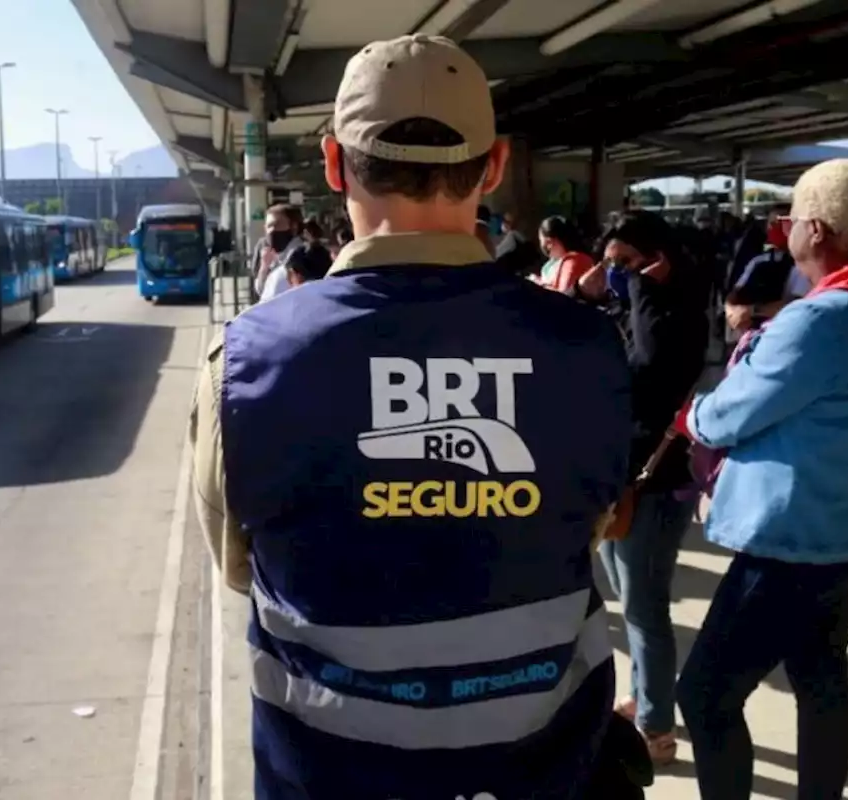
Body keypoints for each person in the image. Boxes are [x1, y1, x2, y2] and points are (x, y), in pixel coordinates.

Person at [190, 34, 639, 799]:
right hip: (538, 770)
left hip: (327, 773)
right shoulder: (589, 347)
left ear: (334, 165)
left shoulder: (243, 359)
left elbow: (238, 565)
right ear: (494, 165)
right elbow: (592, 524)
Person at [676, 159, 848, 800]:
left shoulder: (821, 319)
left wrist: (690, 415)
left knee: (705, 694)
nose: (784, 236)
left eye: (786, 224)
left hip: (792, 536)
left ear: (815, 228)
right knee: (820, 682)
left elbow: (730, 414)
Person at [576, 211, 708, 766]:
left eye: (628, 263)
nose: (618, 275)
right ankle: (648, 698)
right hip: (618, 476)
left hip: (655, 484)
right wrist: (591, 291)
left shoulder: (676, 311)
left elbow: (651, 366)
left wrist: (636, 288)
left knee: (645, 609)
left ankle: (657, 728)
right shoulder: (631, 307)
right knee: (628, 602)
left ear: (660, 261)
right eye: (612, 263)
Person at [252, 204, 305, 299]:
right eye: (268, 226)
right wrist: (264, 267)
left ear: (293, 226)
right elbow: (261, 290)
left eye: (277, 224)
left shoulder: (303, 253)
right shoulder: (271, 255)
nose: (271, 231)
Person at [538, 216, 593, 294]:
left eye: (541, 241)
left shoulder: (573, 261)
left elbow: (564, 296)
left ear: (550, 242)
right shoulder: (554, 263)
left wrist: (539, 286)